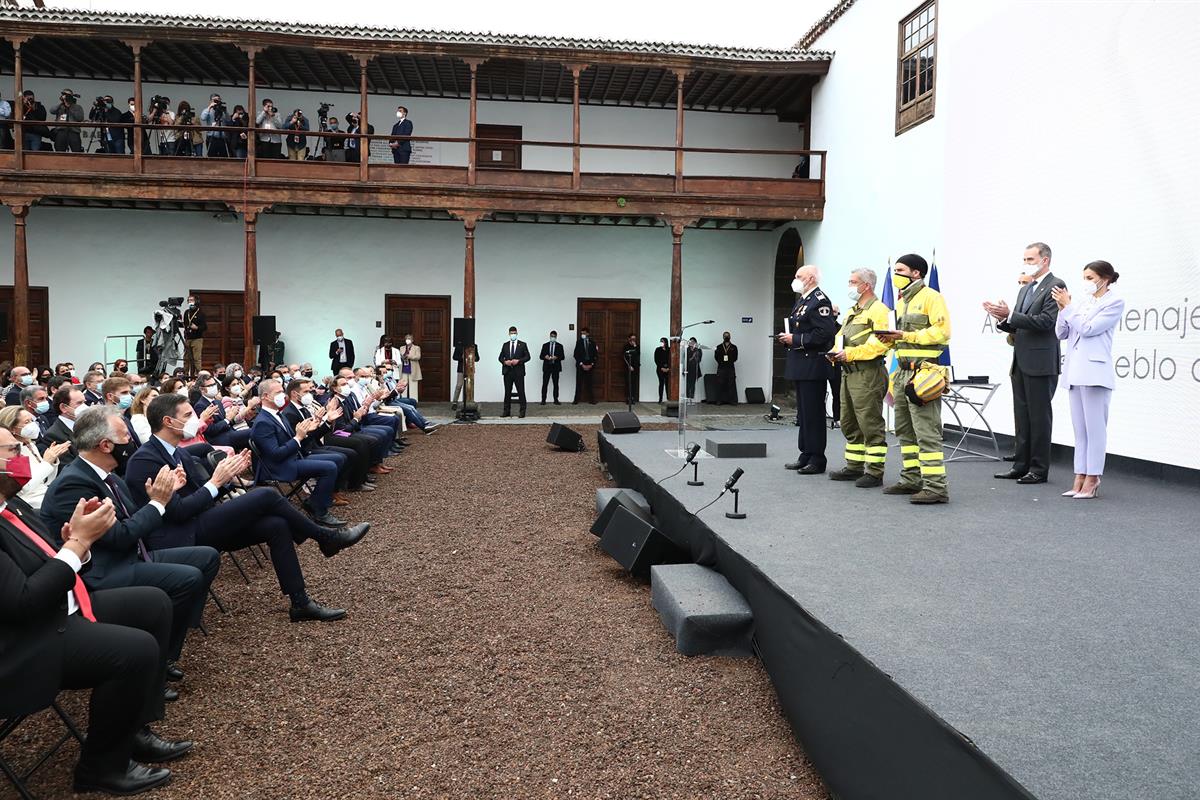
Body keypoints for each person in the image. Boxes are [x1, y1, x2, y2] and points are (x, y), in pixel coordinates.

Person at [0, 456, 186, 796]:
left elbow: (52, 561)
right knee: (136, 650)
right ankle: (101, 768)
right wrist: (78, 544)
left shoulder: (13, 508)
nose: (21, 458)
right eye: (10, 450)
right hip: (23, 643)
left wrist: (74, 544)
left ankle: (133, 731)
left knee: (153, 603)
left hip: (57, 608)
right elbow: (23, 603)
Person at [125, 393, 368, 622]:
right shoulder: (146, 459)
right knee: (265, 494)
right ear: (168, 421)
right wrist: (216, 482)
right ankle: (325, 537)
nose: (196, 420)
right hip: (180, 536)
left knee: (277, 525)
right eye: (188, 415)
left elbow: (205, 496)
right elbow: (177, 513)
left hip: (200, 521)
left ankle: (300, 603)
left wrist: (227, 477)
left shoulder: (178, 452)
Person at [39, 406, 220, 684]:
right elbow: (120, 536)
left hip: (132, 554)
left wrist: (163, 496)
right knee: (188, 579)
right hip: (102, 571)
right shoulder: (74, 484)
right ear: (106, 445)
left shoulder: (106, 474)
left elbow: (133, 518)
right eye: (126, 436)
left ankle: (165, 650)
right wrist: (158, 503)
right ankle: (153, 658)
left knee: (206, 558)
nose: (132, 442)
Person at [984, 242, 1066, 485]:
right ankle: (1021, 465)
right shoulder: (1025, 289)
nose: (1026, 263)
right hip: (1020, 360)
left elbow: (1046, 322)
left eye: (1030, 259)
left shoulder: (1056, 285)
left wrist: (1011, 315)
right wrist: (1002, 319)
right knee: (1022, 415)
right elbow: (1020, 324)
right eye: (1025, 259)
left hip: (1041, 362)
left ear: (1045, 260)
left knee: (1039, 417)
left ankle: (1038, 469)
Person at [876, 253, 952, 504]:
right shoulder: (902, 301)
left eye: (900, 270)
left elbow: (942, 332)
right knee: (905, 432)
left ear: (916, 273)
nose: (896, 274)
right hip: (902, 373)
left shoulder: (932, 297)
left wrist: (906, 336)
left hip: (924, 373)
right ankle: (911, 479)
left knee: (926, 432)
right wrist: (892, 338)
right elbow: (903, 335)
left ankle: (936, 487)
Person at [1053, 260, 1124, 500]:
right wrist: (1063, 309)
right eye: (1084, 277)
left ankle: (1093, 478)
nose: (1087, 282)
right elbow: (1062, 333)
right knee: (1080, 430)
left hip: (1095, 373)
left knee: (1095, 430)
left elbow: (1088, 328)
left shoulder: (1114, 302)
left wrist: (1069, 308)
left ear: (1105, 279)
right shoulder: (1080, 303)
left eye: (1091, 278)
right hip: (1074, 372)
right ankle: (1079, 476)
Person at [826, 268, 891, 487]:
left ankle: (874, 472)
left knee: (869, 422)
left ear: (867, 286)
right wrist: (835, 353)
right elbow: (841, 337)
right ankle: (854, 467)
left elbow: (881, 343)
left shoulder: (879, 310)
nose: (850, 286)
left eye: (853, 282)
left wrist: (850, 354)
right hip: (848, 372)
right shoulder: (853, 310)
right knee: (849, 421)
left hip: (867, 373)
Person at [251, 378, 347, 526]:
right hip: (280, 467)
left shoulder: (278, 414)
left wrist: (307, 431)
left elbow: (294, 439)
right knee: (330, 467)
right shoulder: (263, 422)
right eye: (278, 392)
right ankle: (319, 511)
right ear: (265, 397)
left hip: (293, 457)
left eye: (283, 391)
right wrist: (298, 437)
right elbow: (276, 454)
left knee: (337, 459)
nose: (283, 395)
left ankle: (315, 501)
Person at [778, 265, 836, 474]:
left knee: (814, 413)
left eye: (799, 276)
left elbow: (824, 334)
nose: (795, 279)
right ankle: (805, 454)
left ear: (810, 278)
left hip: (813, 365)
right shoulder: (803, 300)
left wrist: (796, 339)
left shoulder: (820, 301)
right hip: (800, 364)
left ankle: (817, 458)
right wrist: (789, 339)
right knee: (803, 414)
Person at [0, 405, 69, 509]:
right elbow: (23, 486)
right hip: (31, 502)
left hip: (45, 493)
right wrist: (46, 462)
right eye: (26, 422)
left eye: (31, 420)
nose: (32, 425)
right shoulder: (10, 452)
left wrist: (52, 460)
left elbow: (46, 480)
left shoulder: (30, 444)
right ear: (13, 429)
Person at [38, 385, 85, 468]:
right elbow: (69, 467)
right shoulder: (54, 435)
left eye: (84, 402)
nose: (84, 407)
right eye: (79, 403)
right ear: (63, 408)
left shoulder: (88, 424)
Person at [499, 327, 531, 418]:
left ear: (517, 333)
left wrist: (519, 361)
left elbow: (528, 357)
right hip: (507, 371)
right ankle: (506, 411)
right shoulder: (505, 345)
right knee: (507, 392)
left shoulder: (523, 344)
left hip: (519, 371)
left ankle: (522, 411)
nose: (513, 335)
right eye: (511, 333)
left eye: (514, 333)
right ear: (509, 334)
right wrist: (505, 362)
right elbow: (500, 357)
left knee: (521, 391)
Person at [50, 88, 84, 153]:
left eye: (67, 95)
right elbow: (52, 111)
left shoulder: (77, 107)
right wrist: (62, 103)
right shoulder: (60, 106)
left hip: (74, 131)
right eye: (64, 95)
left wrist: (69, 107)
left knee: (76, 151)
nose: (66, 96)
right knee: (59, 151)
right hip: (61, 131)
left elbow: (80, 118)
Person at [182, 294, 206, 378]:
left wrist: (197, 327)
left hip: (197, 339)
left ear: (196, 301)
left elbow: (204, 327)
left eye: (192, 300)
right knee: (186, 358)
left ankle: (198, 374)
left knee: (197, 358)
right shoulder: (186, 312)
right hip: (188, 338)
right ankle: (185, 374)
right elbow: (185, 324)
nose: (190, 302)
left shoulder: (201, 313)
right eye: (189, 300)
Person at [451, 341, 479, 411]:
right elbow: (454, 357)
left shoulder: (474, 346)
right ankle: (455, 402)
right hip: (461, 368)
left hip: (470, 369)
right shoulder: (459, 345)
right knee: (459, 385)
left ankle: (468, 401)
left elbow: (478, 358)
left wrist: (473, 357)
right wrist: (462, 357)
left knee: (469, 386)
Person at [539, 331, 565, 405]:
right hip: (547, 367)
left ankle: (556, 399)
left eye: (554, 336)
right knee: (545, 384)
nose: (552, 337)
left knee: (556, 384)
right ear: (549, 336)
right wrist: (545, 357)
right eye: (551, 336)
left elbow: (563, 357)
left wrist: (556, 357)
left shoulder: (560, 346)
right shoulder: (545, 345)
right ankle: (543, 400)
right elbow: (541, 356)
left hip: (555, 367)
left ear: (556, 337)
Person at [199, 92, 228, 157]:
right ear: (211, 101)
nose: (217, 101)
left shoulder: (222, 110)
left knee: (224, 157)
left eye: (218, 100)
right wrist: (209, 107)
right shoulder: (208, 110)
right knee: (211, 156)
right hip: (212, 137)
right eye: (215, 100)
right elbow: (203, 118)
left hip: (222, 138)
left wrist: (226, 112)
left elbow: (228, 120)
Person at [573, 328, 598, 404]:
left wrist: (591, 364)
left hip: (590, 365)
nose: (582, 335)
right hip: (581, 365)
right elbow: (576, 354)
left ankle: (591, 400)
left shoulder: (592, 343)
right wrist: (581, 364)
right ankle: (576, 400)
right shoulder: (579, 342)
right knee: (579, 383)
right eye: (581, 333)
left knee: (589, 383)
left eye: (584, 333)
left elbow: (595, 355)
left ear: (588, 334)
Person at [714, 332, 739, 405]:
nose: (726, 337)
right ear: (723, 337)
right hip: (721, 368)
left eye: (728, 336)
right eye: (725, 336)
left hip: (730, 368)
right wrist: (721, 362)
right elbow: (716, 357)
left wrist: (729, 361)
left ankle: (732, 401)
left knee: (731, 384)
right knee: (720, 384)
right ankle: (719, 400)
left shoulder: (734, 347)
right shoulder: (719, 347)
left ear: (730, 337)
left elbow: (735, 357)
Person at [622, 335, 640, 404]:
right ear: (629, 339)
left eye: (634, 339)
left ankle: (633, 398)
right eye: (632, 338)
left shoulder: (636, 346)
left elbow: (638, 353)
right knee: (628, 383)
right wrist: (629, 366)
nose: (633, 340)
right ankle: (628, 398)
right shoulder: (626, 346)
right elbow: (624, 356)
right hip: (628, 367)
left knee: (634, 383)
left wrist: (635, 346)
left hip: (635, 367)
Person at [654, 338, 671, 403]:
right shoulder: (658, 349)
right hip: (660, 369)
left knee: (667, 384)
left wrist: (668, 368)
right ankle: (660, 399)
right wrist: (661, 367)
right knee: (661, 383)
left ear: (666, 342)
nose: (662, 343)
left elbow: (671, 359)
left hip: (668, 369)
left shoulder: (669, 350)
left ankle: (668, 398)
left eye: (663, 342)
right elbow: (656, 359)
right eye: (661, 341)